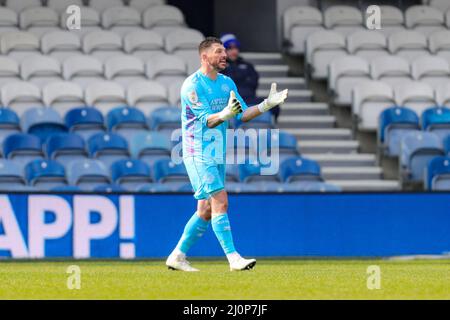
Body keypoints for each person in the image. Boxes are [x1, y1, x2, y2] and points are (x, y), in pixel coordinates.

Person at [165, 37, 288, 272]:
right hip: (198, 152)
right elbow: (208, 121)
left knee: (206, 210)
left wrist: (266, 105)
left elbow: (241, 114)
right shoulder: (192, 86)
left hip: (218, 152)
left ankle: (177, 256)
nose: (224, 55)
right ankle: (234, 259)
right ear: (204, 57)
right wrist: (225, 113)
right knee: (220, 200)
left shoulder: (227, 83)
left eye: (224, 51)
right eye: (218, 51)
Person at [220, 33, 281, 122]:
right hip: (231, 103)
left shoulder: (248, 66)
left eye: (236, 47)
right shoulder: (220, 67)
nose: (234, 51)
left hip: (250, 99)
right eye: (229, 48)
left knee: (273, 103)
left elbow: (253, 83)